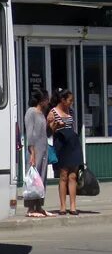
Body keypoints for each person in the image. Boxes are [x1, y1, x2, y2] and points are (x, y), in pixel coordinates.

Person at [48, 88, 83, 216]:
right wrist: (57, 125)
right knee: (63, 175)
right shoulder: (53, 112)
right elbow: (49, 131)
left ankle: (73, 206)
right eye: (69, 100)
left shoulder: (71, 111)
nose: (71, 103)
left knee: (73, 175)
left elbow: (72, 127)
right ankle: (62, 206)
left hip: (73, 143)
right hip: (61, 143)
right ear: (62, 100)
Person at [23, 88, 51, 217]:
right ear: (41, 100)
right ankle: (30, 208)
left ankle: (39, 206)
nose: (48, 101)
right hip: (35, 150)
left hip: (43, 149)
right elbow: (30, 134)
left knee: (42, 177)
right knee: (33, 179)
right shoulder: (31, 112)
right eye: (47, 99)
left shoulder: (42, 113)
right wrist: (32, 153)